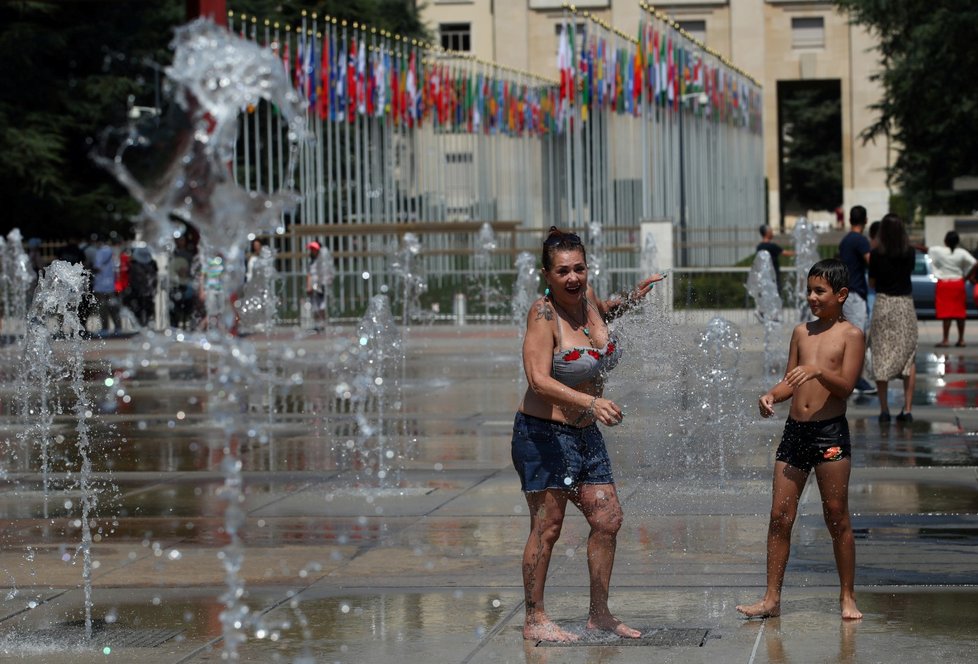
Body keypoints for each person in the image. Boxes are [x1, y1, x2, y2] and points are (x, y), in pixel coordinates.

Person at [513, 226, 665, 642]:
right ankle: (535, 618)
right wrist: (591, 404)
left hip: (584, 433)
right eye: (563, 271)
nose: (573, 278)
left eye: (579, 268)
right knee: (548, 526)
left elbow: (606, 312)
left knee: (608, 518)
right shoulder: (543, 315)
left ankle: (599, 614)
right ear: (547, 274)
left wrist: (632, 299)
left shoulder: (587, 300)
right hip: (544, 433)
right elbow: (538, 379)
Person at [736, 259, 864, 621]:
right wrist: (771, 396)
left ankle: (847, 596)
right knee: (779, 516)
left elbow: (847, 387)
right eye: (809, 290)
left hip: (830, 433)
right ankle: (771, 598)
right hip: (795, 432)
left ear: (841, 295)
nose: (812, 297)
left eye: (820, 291)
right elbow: (789, 381)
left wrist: (820, 370)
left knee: (836, 516)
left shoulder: (850, 335)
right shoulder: (800, 332)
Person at [868, 214, 917, 423]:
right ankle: (907, 409)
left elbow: (871, 283)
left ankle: (884, 409)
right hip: (904, 305)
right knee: (908, 355)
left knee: (881, 352)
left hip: (883, 304)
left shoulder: (876, 254)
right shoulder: (910, 253)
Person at [837, 205, 876, 395]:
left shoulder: (845, 241)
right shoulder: (860, 240)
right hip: (855, 292)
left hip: (847, 293)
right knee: (858, 337)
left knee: (849, 336)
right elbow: (872, 262)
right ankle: (855, 380)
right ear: (865, 220)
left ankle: (848, 377)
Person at [928, 230, 977, 347]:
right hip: (958, 283)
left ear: (945, 241)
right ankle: (961, 339)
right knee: (960, 313)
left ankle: (945, 339)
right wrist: (968, 276)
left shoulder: (939, 251)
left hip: (944, 284)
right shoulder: (961, 252)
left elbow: (925, 249)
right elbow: (975, 263)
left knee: (946, 314)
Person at [92, 235, 123, 335]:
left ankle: (105, 328)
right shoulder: (113, 252)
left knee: (103, 307)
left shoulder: (101, 252)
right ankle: (118, 327)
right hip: (111, 284)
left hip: (101, 284)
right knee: (113, 306)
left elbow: (97, 266)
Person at [757, 225, 795, 294]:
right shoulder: (772, 246)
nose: (772, 233)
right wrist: (799, 252)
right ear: (767, 233)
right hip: (773, 275)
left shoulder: (759, 246)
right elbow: (785, 253)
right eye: (771, 231)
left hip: (764, 276)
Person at [305, 241, 333, 331]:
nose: (312, 251)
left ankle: (323, 323)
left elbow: (328, 273)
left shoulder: (322, 261)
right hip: (314, 285)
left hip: (322, 285)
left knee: (322, 305)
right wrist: (309, 286)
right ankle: (317, 324)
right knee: (315, 305)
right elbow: (309, 274)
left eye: (314, 249)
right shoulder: (311, 262)